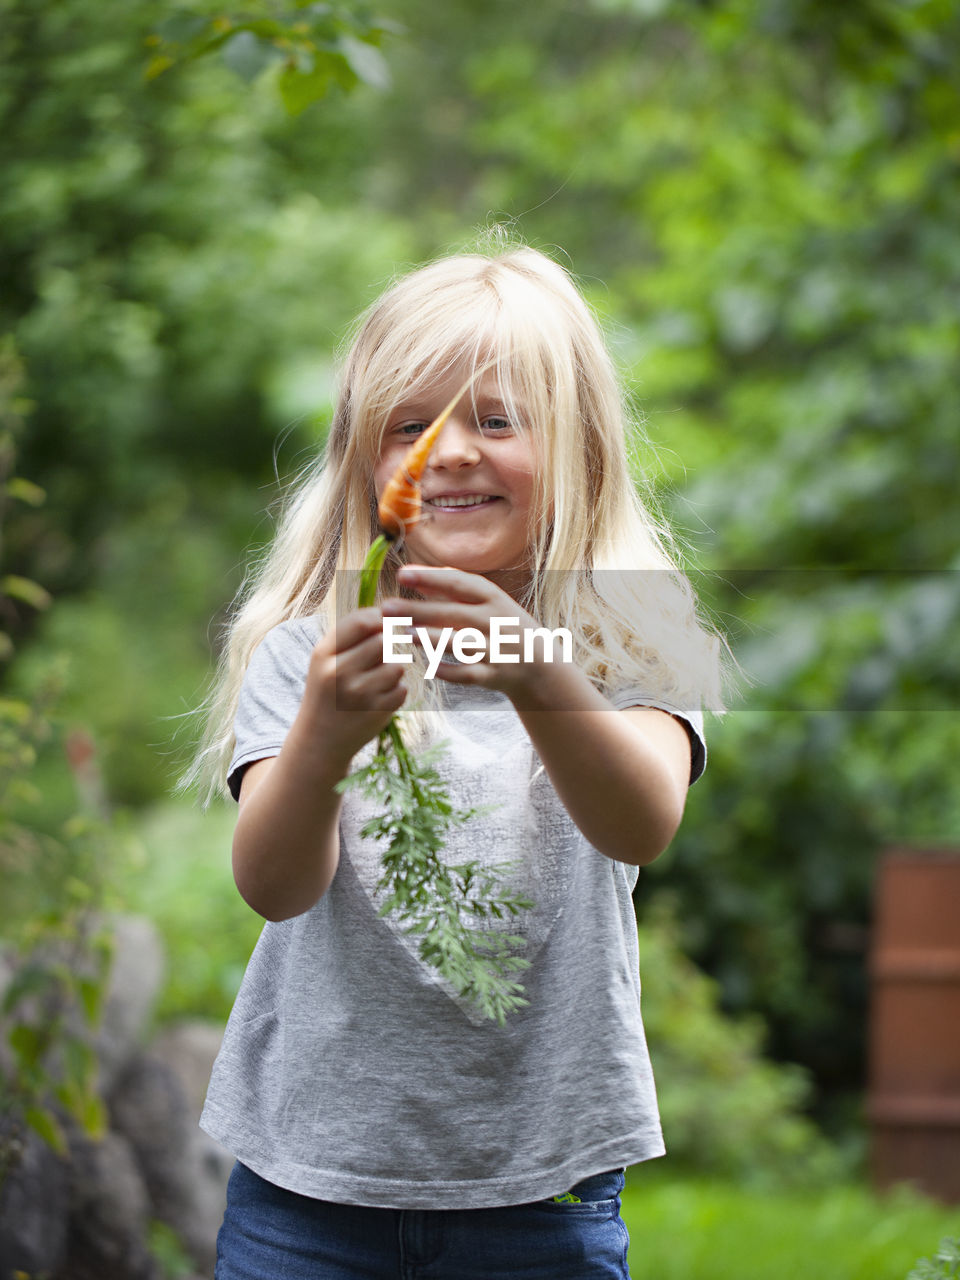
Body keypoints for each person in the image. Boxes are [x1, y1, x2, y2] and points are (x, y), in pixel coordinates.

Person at [189, 245, 726, 1279]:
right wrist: (322, 742)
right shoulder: (311, 644)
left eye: (495, 419)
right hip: (310, 1187)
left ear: (580, 450)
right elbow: (272, 882)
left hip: (543, 1189)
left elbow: (641, 819)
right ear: (364, 462)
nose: (450, 452)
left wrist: (537, 669)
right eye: (410, 425)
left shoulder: (633, 634)